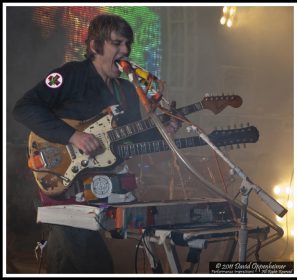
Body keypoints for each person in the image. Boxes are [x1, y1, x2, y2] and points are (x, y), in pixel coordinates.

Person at [13, 13, 179, 274]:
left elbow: (131, 136)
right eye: (117, 43)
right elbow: (23, 108)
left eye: (128, 45)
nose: (125, 51)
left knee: (68, 263)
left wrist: (164, 130)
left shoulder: (126, 90)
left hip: (102, 191)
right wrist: (73, 136)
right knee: (94, 264)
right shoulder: (69, 75)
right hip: (66, 183)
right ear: (94, 46)